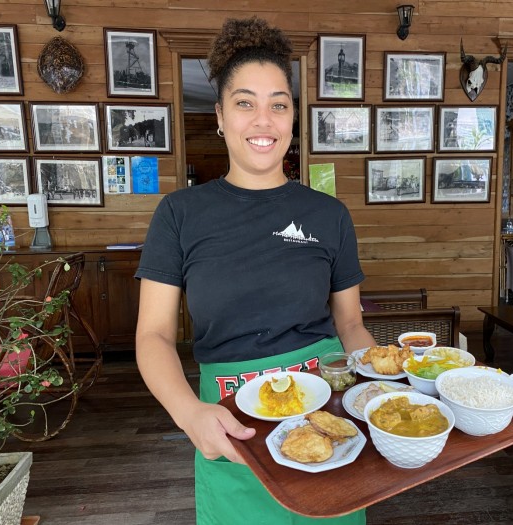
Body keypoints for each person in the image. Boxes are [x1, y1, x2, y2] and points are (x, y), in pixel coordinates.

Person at [135, 16, 376, 525]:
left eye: (278, 105)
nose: (263, 120)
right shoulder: (179, 214)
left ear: (292, 118)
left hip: (326, 406)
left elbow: (350, 324)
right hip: (229, 420)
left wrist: (379, 387)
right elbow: (153, 335)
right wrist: (189, 413)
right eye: (245, 103)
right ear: (220, 116)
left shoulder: (328, 215)